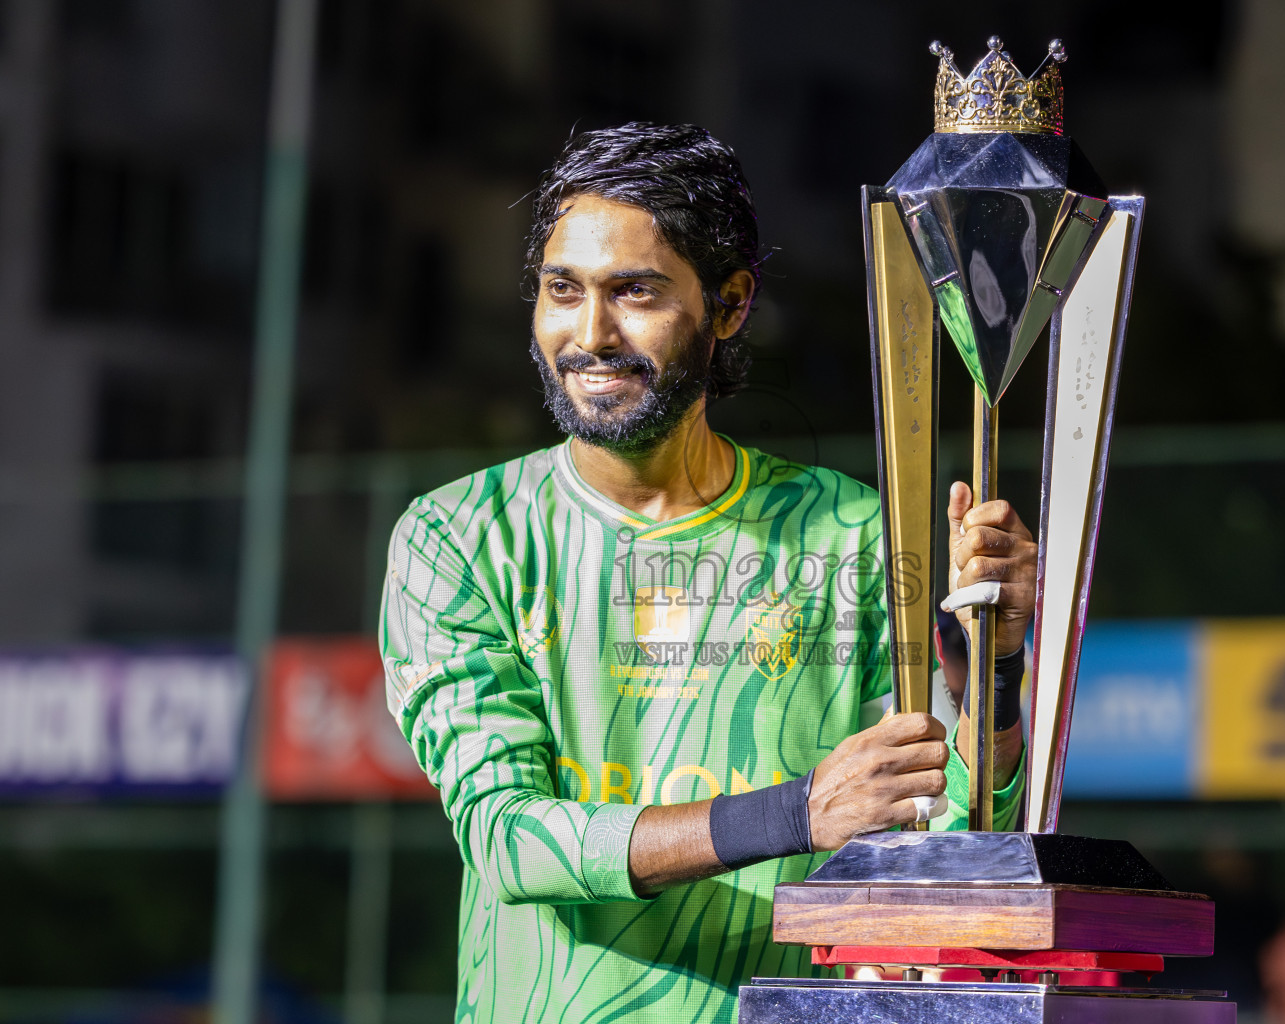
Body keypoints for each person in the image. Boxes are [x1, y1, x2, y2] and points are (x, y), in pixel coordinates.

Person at [379, 122, 1037, 1024]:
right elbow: (509, 840)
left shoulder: (852, 534)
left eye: (635, 292)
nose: (590, 334)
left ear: (729, 304)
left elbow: (952, 825)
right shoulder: (458, 537)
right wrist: (798, 812)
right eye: (563, 289)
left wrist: (997, 662)